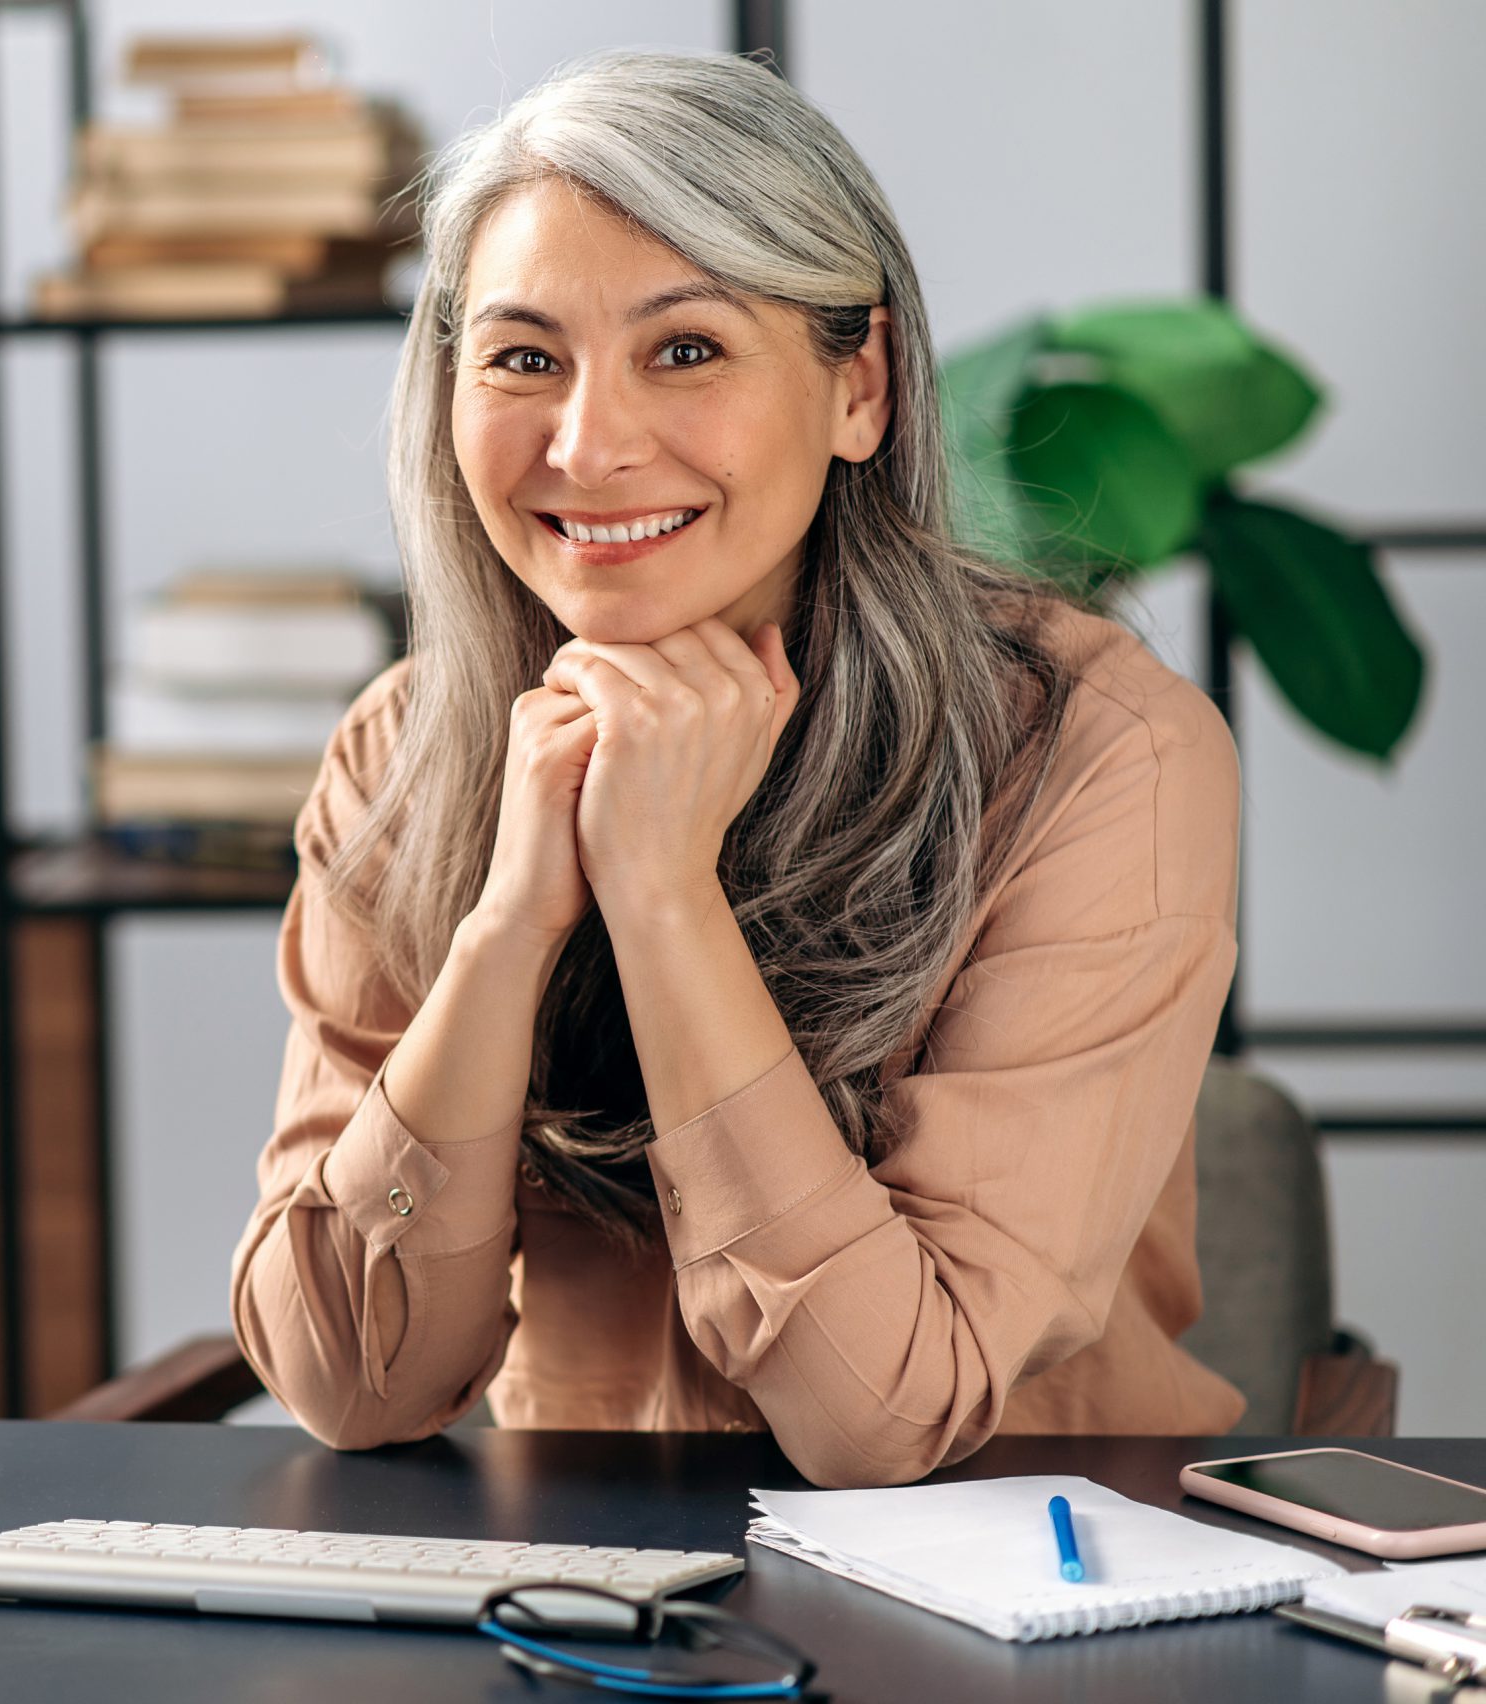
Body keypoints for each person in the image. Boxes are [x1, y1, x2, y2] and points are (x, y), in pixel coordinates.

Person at [229, 49, 1247, 1489]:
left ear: (861, 388)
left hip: (1010, 1601)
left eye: (687, 350)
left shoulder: (1098, 753)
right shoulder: (409, 751)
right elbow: (353, 1381)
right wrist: (512, 924)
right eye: (523, 359)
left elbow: (884, 1414)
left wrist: (660, 892)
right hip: (583, 1601)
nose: (587, 446)